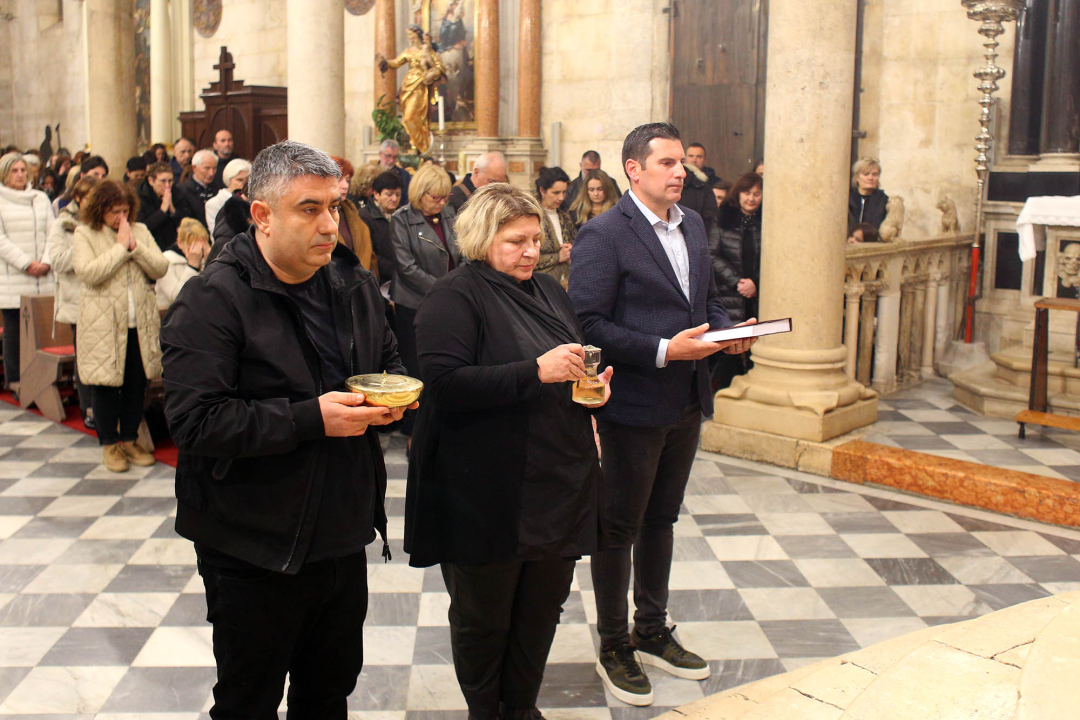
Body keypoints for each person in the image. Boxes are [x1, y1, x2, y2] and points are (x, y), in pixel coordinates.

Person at [161, 140, 408, 718]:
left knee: (329, 691)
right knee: (250, 698)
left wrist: (390, 398)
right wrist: (311, 418)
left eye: (335, 207)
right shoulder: (212, 300)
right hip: (253, 539)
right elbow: (196, 421)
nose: (329, 225)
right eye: (309, 209)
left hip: (342, 530)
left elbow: (389, 360)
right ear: (262, 216)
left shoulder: (354, 283)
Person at [405, 182, 611, 720]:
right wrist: (534, 372)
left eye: (535, 240)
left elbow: (568, 366)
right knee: (484, 615)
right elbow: (443, 386)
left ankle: (519, 707)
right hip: (486, 489)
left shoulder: (549, 292)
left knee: (542, 609)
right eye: (516, 240)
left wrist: (590, 387)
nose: (529, 252)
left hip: (554, 481)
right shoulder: (454, 296)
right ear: (481, 237)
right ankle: (484, 711)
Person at [568, 123, 754, 707]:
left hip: (687, 396)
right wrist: (664, 349)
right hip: (636, 399)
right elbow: (589, 325)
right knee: (619, 523)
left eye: (682, 163)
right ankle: (614, 642)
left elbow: (705, 303)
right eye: (668, 163)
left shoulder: (693, 223)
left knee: (662, 518)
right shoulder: (604, 234)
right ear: (634, 168)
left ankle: (651, 628)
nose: (680, 172)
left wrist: (727, 333)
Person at [72, 180, 168, 471]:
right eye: (115, 212)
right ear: (100, 209)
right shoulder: (85, 233)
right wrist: (118, 248)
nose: (121, 218)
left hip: (138, 323)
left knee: (136, 384)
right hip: (103, 324)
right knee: (105, 385)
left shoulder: (138, 230)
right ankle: (109, 445)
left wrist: (135, 247)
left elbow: (160, 267)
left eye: (126, 210)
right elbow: (88, 273)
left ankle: (130, 439)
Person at [390, 163, 460, 444]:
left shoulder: (449, 214)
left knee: (447, 364)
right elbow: (406, 267)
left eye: (445, 198)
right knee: (416, 367)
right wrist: (443, 290)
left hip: (451, 301)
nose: (442, 203)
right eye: (436, 197)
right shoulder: (401, 219)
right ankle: (414, 430)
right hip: (415, 304)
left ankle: (444, 423)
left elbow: (462, 252)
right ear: (420, 193)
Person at [45, 174, 99, 426]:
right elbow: (56, 260)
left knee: (100, 353)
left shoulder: (103, 222)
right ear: (78, 198)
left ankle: (101, 406)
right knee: (85, 354)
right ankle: (88, 407)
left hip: (101, 295)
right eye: (92, 198)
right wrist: (84, 245)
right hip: (76, 297)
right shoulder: (63, 224)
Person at [0, 152, 54, 393]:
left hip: (43, 274)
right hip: (14, 275)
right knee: (15, 331)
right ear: (4, 174)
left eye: (23, 170)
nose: (20, 174)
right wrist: (26, 264)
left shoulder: (40, 198)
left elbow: (53, 233)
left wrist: (46, 261)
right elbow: (1, 241)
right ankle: (15, 379)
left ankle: (43, 379)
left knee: (40, 331)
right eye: (14, 171)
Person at [711, 172, 763, 390]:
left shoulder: (769, 221)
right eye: (746, 193)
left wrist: (756, 284)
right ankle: (726, 398)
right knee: (730, 349)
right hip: (729, 294)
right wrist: (738, 282)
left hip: (759, 296)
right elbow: (711, 254)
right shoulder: (722, 218)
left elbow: (777, 257)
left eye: (757, 194)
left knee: (757, 349)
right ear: (738, 194)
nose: (751, 198)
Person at [331, 156, 377, 276]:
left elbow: (367, 252)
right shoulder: (322, 215)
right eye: (339, 180)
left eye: (347, 180)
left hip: (360, 283)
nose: (345, 185)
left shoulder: (351, 211)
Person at [534, 166, 577, 288]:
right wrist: (557, 257)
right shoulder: (533, 217)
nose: (561, 198)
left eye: (564, 192)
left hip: (568, 281)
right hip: (542, 285)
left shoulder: (565, 216)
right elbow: (526, 257)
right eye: (556, 193)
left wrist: (572, 249)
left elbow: (575, 242)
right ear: (542, 191)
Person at [359, 170, 403, 285]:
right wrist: (398, 271)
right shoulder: (364, 216)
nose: (394, 199)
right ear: (376, 194)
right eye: (389, 194)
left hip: (401, 277)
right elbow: (369, 253)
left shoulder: (402, 214)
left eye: (398, 194)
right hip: (379, 280)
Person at [158, 218, 210, 309]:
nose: (196, 251)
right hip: (172, 316)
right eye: (192, 245)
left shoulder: (205, 257)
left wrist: (210, 261)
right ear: (179, 243)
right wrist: (192, 267)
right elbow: (175, 298)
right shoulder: (166, 260)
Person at [136, 161, 179, 250]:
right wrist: (162, 211)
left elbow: (184, 223)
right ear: (151, 181)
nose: (167, 185)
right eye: (163, 181)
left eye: (170, 181)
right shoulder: (139, 198)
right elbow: (142, 228)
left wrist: (173, 211)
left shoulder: (177, 193)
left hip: (173, 245)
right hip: (151, 247)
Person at [173, 149, 219, 231]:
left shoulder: (219, 189)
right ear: (194, 167)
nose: (211, 173)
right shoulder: (181, 190)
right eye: (207, 168)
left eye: (214, 168)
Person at [204, 158, 251, 234]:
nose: (244, 184)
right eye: (239, 180)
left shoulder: (252, 200)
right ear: (229, 180)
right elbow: (215, 233)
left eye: (247, 181)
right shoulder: (214, 203)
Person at [848, 157, 888, 233]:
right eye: (866, 174)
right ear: (857, 177)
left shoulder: (884, 201)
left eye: (874, 174)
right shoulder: (848, 199)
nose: (870, 178)